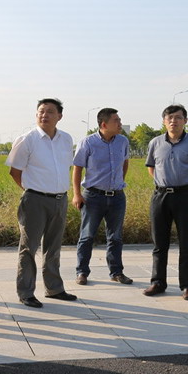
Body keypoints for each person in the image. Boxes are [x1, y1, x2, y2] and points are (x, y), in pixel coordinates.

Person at [6, 98, 77, 308]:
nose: (44, 115)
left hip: (60, 199)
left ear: (59, 116)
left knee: (53, 247)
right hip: (35, 200)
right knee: (29, 248)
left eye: (50, 111)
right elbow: (15, 171)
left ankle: (54, 288)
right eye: (41, 111)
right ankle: (26, 292)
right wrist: (32, 190)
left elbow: (65, 168)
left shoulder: (66, 139)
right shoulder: (27, 139)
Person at [143, 104, 188, 300]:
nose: (174, 121)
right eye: (170, 118)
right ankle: (158, 282)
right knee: (159, 242)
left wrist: (187, 185)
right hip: (160, 196)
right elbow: (151, 168)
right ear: (164, 121)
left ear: (185, 121)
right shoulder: (155, 143)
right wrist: (164, 183)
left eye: (178, 118)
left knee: (187, 242)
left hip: (185, 197)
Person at [72, 108, 133, 286]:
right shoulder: (87, 142)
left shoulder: (122, 141)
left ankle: (116, 272)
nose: (120, 123)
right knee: (87, 236)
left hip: (117, 197)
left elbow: (125, 163)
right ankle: (82, 272)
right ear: (104, 124)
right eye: (116, 120)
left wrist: (118, 182)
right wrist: (77, 194)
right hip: (93, 197)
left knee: (115, 237)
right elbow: (77, 168)